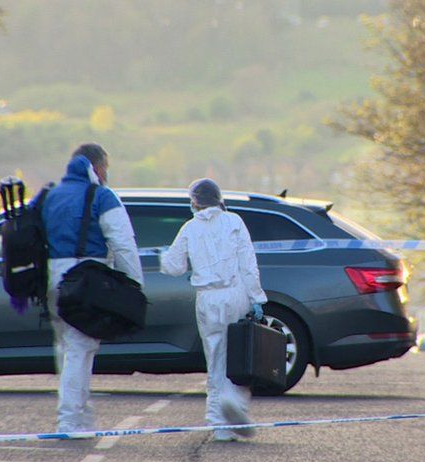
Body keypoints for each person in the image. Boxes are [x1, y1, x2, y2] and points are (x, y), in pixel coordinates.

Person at [39, 143, 143, 433]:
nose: (106, 173)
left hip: (52, 278)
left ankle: (80, 415)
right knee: (80, 348)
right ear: (96, 167)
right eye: (106, 167)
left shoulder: (51, 196)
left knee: (67, 346)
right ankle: (70, 418)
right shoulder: (101, 196)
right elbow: (123, 243)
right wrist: (134, 283)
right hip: (86, 280)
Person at [160, 178, 267, 442]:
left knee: (215, 357)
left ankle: (218, 424)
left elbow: (173, 267)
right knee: (239, 354)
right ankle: (234, 403)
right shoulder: (235, 222)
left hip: (207, 299)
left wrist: (163, 255)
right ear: (220, 198)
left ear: (194, 201)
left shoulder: (189, 228)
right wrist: (257, 297)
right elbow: (248, 264)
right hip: (236, 294)